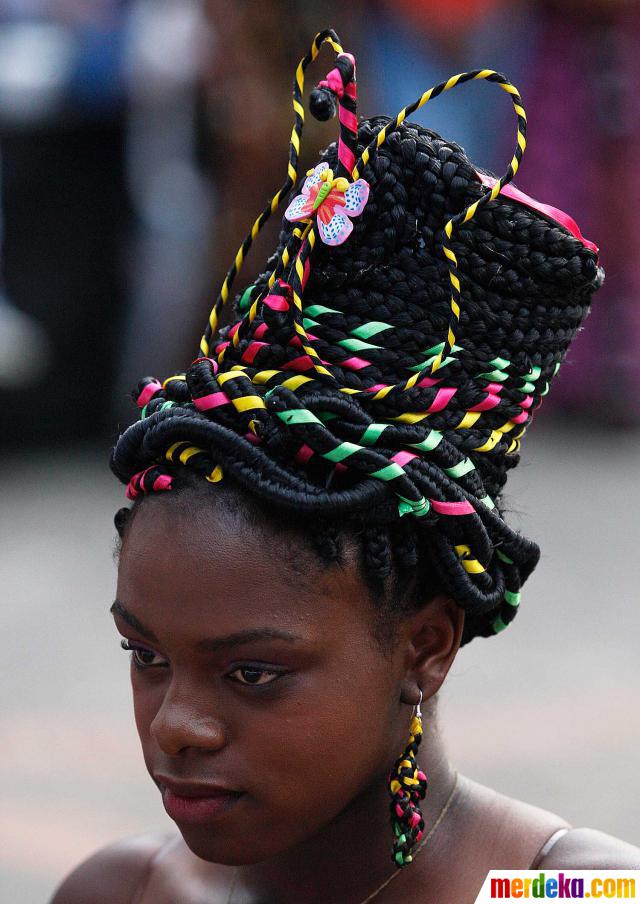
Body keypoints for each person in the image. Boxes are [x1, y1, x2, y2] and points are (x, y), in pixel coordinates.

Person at [50, 28, 640, 904]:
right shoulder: (126, 891)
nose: (175, 726)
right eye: (144, 654)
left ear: (426, 648)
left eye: (252, 672)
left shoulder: (566, 893)